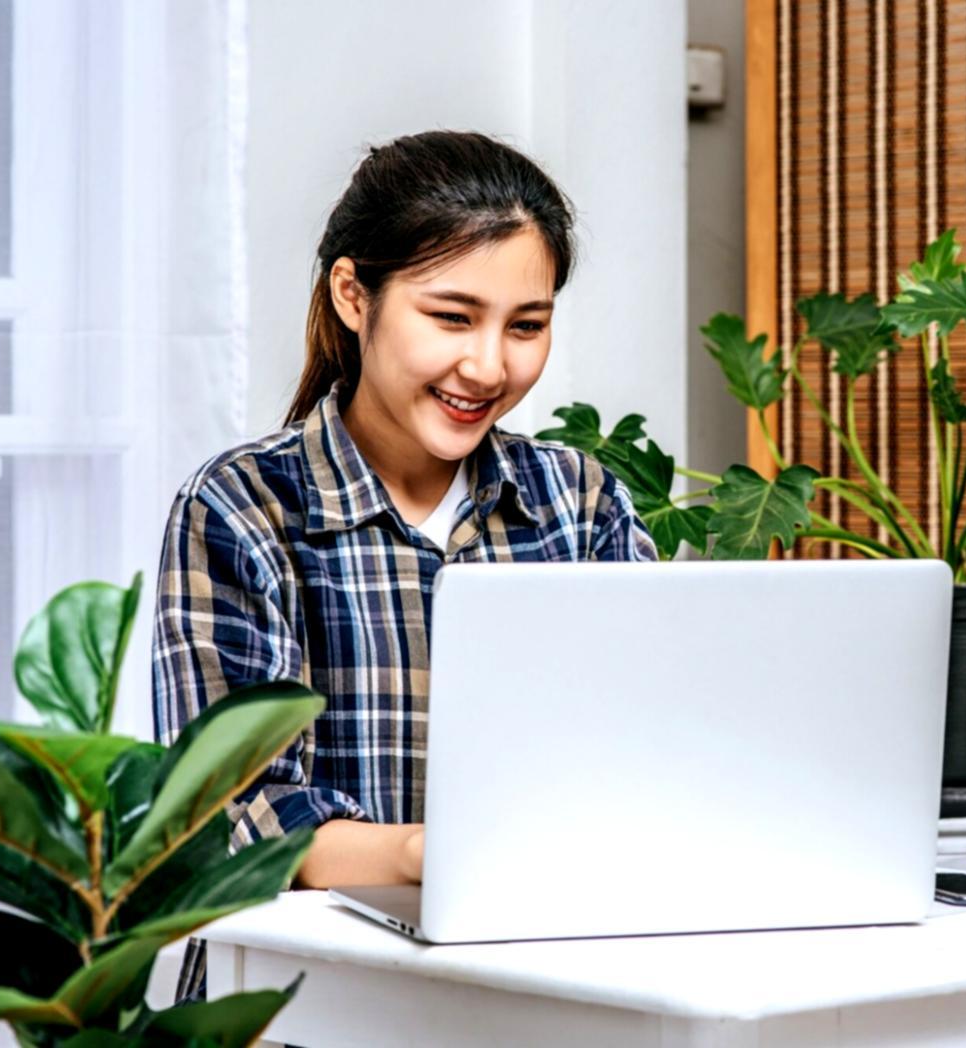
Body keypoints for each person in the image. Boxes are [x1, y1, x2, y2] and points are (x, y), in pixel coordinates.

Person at [151, 131, 658, 1001]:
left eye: (526, 327)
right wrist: (423, 854)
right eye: (452, 317)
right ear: (355, 296)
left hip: (548, 984)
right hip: (296, 1002)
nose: (489, 366)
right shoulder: (243, 507)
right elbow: (228, 817)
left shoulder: (581, 504)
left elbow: (657, 750)